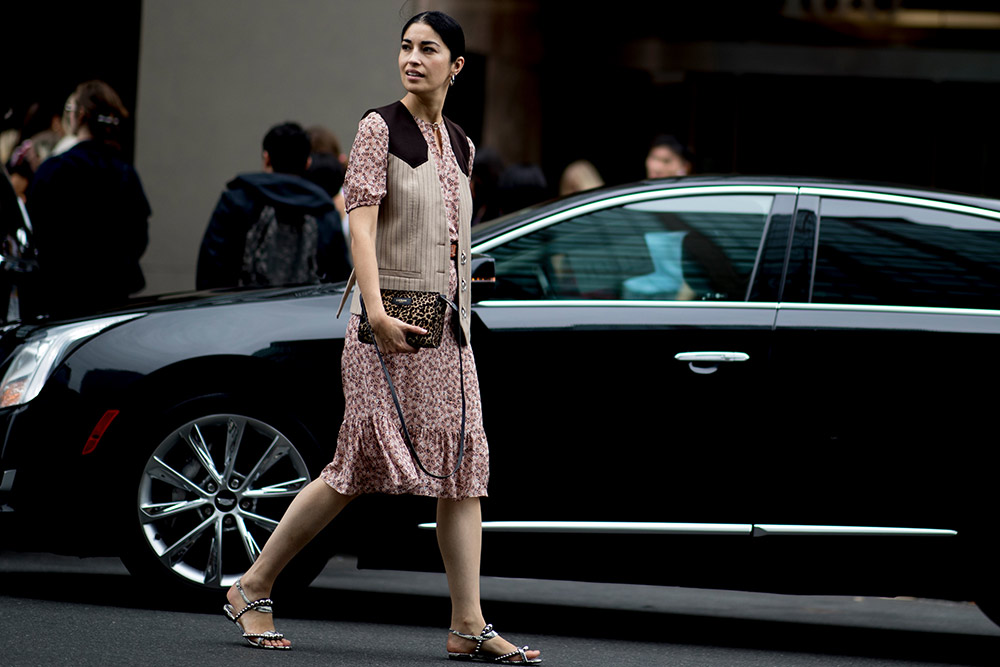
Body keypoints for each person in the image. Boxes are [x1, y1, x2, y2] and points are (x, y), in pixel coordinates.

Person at [221, 11, 541, 664]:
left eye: (429, 49)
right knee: (353, 468)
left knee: (463, 471)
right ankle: (251, 584)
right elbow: (359, 226)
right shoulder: (377, 128)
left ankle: (468, 623)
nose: (412, 58)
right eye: (405, 47)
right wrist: (375, 311)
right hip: (384, 329)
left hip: (448, 338)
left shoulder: (462, 143)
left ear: (456, 66)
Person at [25, 80, 150, 317]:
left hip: (60, 299)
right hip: (112, 299)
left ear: (80, 115)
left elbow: (38, 233)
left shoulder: (55, 169)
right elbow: (139, 238)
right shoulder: (125, 173)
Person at [196, 122, 350, 289]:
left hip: (240, 310)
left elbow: (211, 268)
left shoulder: (236, 200)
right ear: (307, 162)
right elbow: (340, 280)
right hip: (306, 312)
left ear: (267, 158)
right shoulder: (323, 210)